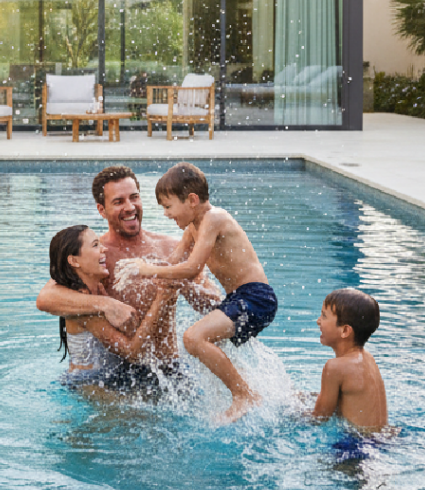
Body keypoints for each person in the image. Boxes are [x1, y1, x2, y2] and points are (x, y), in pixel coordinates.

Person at [119, 162, 277, 424]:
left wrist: (146, 270)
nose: (167, 215)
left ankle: (244, 395)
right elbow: (173, 264)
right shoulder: (193, 228)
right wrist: (146, 271)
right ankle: (252, 395)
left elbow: (192, 268)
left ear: (191, 200)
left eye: (168, 207)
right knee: (202, 344)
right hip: (238, 299)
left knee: (193, 338)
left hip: (256, 297)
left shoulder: (214, 219)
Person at [36, 165, 221, 378]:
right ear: (101, 210)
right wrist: (107, 305)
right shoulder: (97, 258)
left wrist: (187, 285)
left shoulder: (171, 248)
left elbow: (212, 303)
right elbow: (46, 298)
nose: (130, 207)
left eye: (134, 197)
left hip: (169, 368)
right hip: (118, 373)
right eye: (118, 201)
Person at [49, 225, 174, 387]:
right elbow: (133, 352)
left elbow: (128, 336)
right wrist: (162, 299)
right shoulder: (85, 308)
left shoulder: (97, 291)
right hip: (87, 383)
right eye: (95, 245)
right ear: (74, 261)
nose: (104, 249)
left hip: (109, 377)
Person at [312, 288, 388, 461]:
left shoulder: (335, 367)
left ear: (345, 331)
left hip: (356, 443)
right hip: (384, 437)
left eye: (324, 316)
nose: (318, 321)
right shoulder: (368, 358)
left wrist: (290, 416)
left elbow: (320, 417)